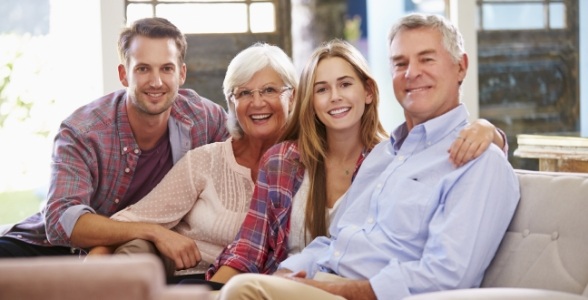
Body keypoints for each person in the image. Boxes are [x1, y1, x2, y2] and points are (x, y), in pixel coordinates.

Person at [215, 13, 520, 300]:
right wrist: (287, 274)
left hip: (366, 293)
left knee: (244, 292)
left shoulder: (479, 161)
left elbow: (446, 276)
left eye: (426, 59)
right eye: (400, 63)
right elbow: (334, 241)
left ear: (461, 66)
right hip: (324, 279)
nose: (412, 73)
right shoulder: (386, 156)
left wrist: (339, 290)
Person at [0, 17, 229, 258]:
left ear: (181, 73)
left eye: (166, 68)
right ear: (123, 74)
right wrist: (153, 232)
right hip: (56, 248)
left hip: (135, 253)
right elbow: (62, 221)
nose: (156, 81)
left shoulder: (204, 119)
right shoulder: (83, 130)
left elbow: (248, 155)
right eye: (143, 68)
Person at [88, 42, 298, 284]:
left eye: (270, 90)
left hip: (254, 286)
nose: (257, 102)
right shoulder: (205, 161)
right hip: (188, 279)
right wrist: (87, 278)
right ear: (231, 103)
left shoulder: (307, 164)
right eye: (244, 93)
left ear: (291, 97)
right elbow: (131, 221)